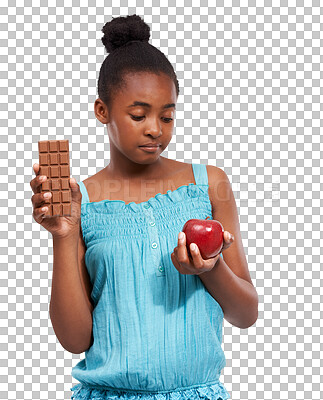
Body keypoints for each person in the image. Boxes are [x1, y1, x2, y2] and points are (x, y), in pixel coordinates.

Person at [30, 14, 258, 400]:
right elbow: (74, 339)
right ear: (102, 111)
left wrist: (210, 268)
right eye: (138, 115)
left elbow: (245, 314)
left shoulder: (209, 184)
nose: (156, 129)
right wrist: (63, 236)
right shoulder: (80, 201)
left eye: (167, 115)